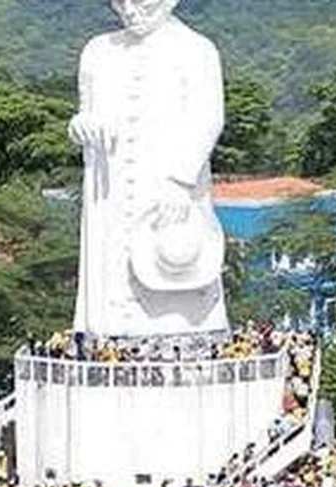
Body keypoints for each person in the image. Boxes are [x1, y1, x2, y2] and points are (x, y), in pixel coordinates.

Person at [68, 0, 228, 337]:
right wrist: (82, 125)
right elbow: (83, 112)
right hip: (108, 192)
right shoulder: (97, 51)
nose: (129, 9)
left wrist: (180, 181)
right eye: (119, 1)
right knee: (111, 275)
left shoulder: (196, 50)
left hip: (165, 187)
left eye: (140, 1)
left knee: (171, 281)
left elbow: (208, 119)